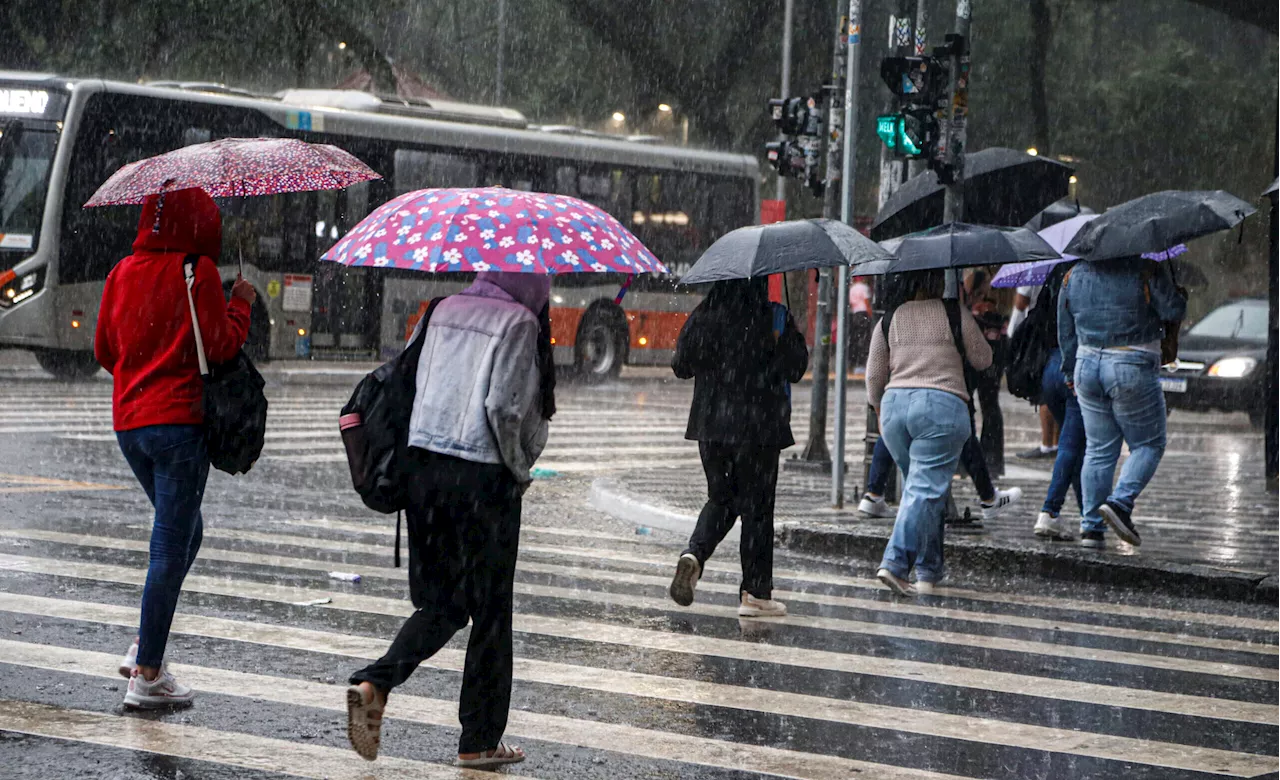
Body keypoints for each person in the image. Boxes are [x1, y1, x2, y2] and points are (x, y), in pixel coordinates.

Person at [345, 271, 554, 769]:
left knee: (442, 604)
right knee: (491, 613)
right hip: (482, 477)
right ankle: (479, 740)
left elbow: (408, 383)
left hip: (423, 471)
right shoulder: (520, 322)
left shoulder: (441, 309)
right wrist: (520, 469)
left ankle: (376, 682)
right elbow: (503, 408)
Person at [94, 188, 254, 708]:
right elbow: (222, 345)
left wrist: (141, 372)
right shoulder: (196, 268)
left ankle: (147, 638)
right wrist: (241, 304)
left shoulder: (122, 271)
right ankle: (147, 673)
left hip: (129, 425)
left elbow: (104, 350)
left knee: (187, 531)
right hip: (179, 425)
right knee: (168, 547)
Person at [667, 278, 808, 617]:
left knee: (722, 497)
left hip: (711, 427)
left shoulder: (705, 314)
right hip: (758, 428)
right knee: (757, 510)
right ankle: (756, 594)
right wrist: (783, 336)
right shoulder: (773, 316)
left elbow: (680, 366)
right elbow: (797, 368)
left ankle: (695, 555)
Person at [867, 270, 992, 596]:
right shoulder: (954, 312)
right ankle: (895, 563)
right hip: (939, 408)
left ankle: (929, 569)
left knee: (922, 490)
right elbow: (983, 359)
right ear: (938, 283)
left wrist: (881, 411)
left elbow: (873, 376)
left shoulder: (889, 318)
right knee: (924, 490)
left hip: (895, 412)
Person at [1059, 257, 1186, 548]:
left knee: (1098, 449)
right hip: (1131, 361)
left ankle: (1091, 527)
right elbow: (1173, 310)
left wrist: (1069, 369)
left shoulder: (1073, 275)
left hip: (1086, 363)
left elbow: (1065, 327)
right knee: (1148, 444)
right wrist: (1174, 290)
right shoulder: (1145, 270)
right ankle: (1120, 503)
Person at [1029, 263, 1086, 542]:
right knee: (1071, 445)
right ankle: (1050, 512)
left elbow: (1039, 319)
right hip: (1072, 366)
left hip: (1050, 368)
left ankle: (1089, 513)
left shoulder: (1056, 275)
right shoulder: (1086, 278)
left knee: (1074, 445)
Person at [965, 269, 1007, 476]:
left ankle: (989, 460)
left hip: (990, 359)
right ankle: (974, 457)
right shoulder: (968, 303)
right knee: (972, 406)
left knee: (988, 407)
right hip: (979, 359)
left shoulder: (988, 305)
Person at [848, 276, 874, 370]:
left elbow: (851, 303)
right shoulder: (864, 288)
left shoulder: (852, 289)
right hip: (864, 313)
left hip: (855, 314)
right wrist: (870, 314)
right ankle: (863, 363)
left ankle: (855, 362)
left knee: (855, 338)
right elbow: (866, 302)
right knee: (865, 338)